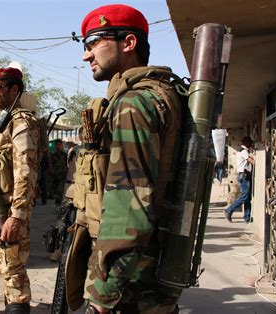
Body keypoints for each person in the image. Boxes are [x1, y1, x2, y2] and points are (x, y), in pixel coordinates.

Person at [77, 4, 184, 312]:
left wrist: (104, 292)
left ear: (128, 43)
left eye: (95, 42)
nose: (87, 55)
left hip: (129, 285)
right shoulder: (162, 93)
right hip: (150, 274)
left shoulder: (133, 104)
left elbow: (130, 205)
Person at [0, 67, 42, 313]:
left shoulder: (21, 122)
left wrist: (16, 215)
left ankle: (18, 307)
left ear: (14, 89)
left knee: (12, 265)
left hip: (10, 208)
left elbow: (25, 171)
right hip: (1, 205)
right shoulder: (4, 121)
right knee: (6, 264)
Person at [224, 136, 255, 223]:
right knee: (244, 197)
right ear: (247, 143)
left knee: (247, 198)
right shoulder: (244, 151)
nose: (251, 145)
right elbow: (252, 161)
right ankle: (229, 210)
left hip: (244, 175)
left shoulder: (242, 150)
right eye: (250, 143)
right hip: (244, 176)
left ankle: (247, 217)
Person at [49, 139, 68, 206]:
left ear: (62, 145)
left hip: (62, 175)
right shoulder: (53, 155)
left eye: (59, 145)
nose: (58, 146)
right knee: (56, 191)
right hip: (55, 176)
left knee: (60, 190)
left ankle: (58, 204)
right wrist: (51, 172)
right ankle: (57, 202)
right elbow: (50, 165)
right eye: (57, 145)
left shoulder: (65, 155)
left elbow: (67, 164)